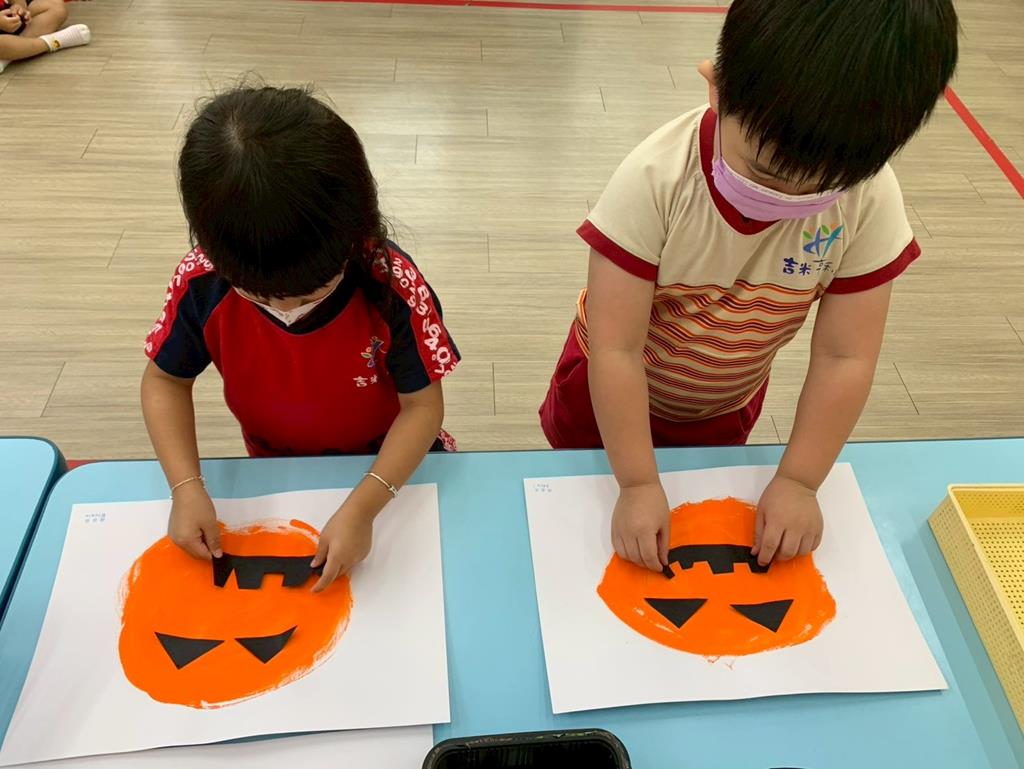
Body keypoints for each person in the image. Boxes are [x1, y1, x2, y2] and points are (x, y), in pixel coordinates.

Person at [540, 0, 958, 572]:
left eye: (821, 187)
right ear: (717, 86)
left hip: (723, 404)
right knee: (580, 529)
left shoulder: (869, 196)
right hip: (602, 397)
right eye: (766, 174)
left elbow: (845, 357)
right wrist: (636, 484)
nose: (790, 199)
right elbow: (617, 349)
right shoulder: (655, 179)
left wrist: (800, 481)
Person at [142, 86, 460, 590]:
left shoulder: (391, 285)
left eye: (311, 291)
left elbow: (422, 408)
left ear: (356, 229)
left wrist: (365, 506)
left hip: (393, 467)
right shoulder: (202, 283)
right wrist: (184, 485)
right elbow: (165, 381)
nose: (286, 309)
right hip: (278, 471)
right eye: (259, 294)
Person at [0, 0, 90, 73]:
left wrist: (19, 7)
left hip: (10, 18)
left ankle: (8, 56)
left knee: (56, 7)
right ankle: (54, 41)